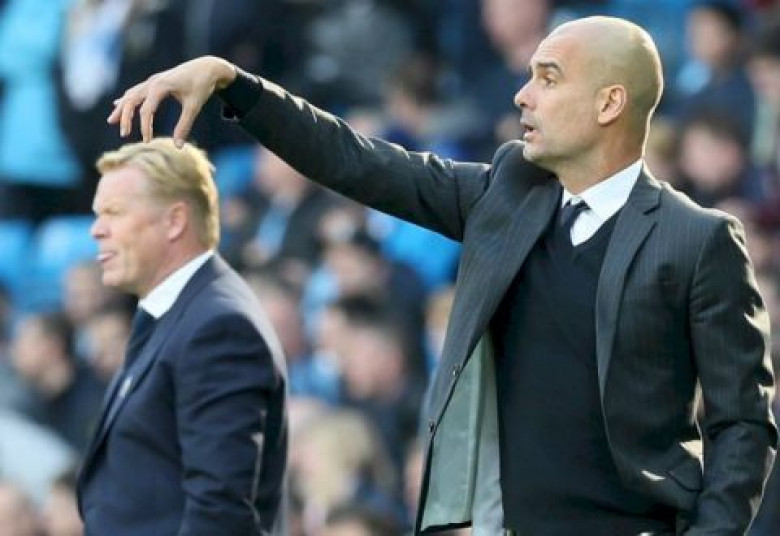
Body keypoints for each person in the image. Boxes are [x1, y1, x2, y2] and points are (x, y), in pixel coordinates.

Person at [108, 15, 776, 536]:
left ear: (609, 103)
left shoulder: (698, 240)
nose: (522, 95)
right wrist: (236, 85)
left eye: (548, 78)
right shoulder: (506, 195)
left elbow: (744, 424)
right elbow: (357, 161)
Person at [76, 138, 288, 535]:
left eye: (114, 213)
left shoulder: (219, 328)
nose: (96, 230)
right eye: (97, 215)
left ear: (175, 221)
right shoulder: (174, 314)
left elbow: (220, 512)